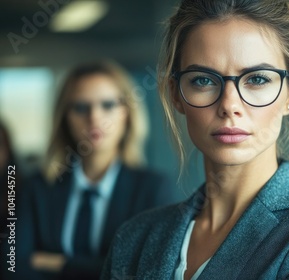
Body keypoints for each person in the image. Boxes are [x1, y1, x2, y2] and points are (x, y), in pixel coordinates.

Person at [101, 1, 289, 279]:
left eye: (257, 79)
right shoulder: (134, 239)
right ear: (176, 95)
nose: (230, 105)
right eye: (203, 80)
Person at [2, 61, 173, 280]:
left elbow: (147, 271)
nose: (94, 117)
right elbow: (11, 265)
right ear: (65, 117)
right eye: (81, 107)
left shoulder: (153, 189)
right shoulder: (36, 188)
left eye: (108, 105)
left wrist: (61, 264)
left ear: (127, 114)